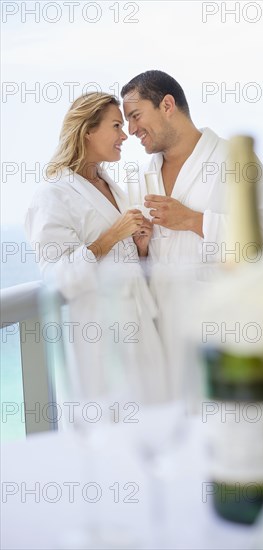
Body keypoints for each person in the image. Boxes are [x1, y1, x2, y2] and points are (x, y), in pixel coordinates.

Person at [25, 92, 168, 403]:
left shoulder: (108, 185)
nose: (124, 135)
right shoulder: (52, 195)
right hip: (101, 342)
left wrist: (139, 247)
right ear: (88, 130)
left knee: (154, 434)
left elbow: (122, 261)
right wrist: (111, 237)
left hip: (141, 332)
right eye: (116, 125)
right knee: (111, 438)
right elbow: (57, 279)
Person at [121, 69, 263, 265]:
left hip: (217, 296)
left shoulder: (234, 161)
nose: (131, 130)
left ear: (167, 105)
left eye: (135, 116)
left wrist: (192, 220)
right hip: (160, 296)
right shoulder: (141, 177)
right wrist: (142, 250)